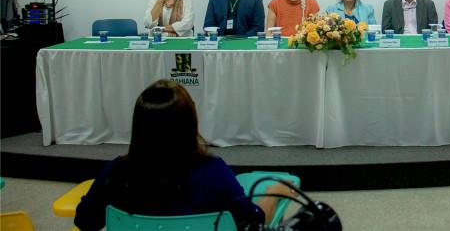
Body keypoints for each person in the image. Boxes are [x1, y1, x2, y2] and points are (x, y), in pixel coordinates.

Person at [75, 80, 294, 230]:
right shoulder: (213, 171)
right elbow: (253, 222)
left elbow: (84, 220)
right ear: (190, 122)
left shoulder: (117, 172)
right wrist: (276, 192)